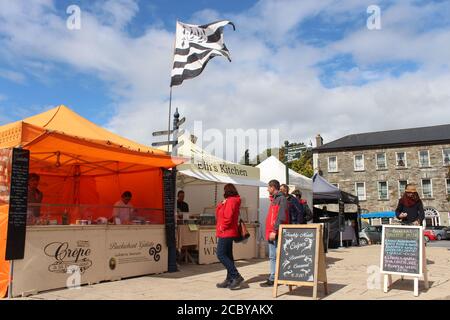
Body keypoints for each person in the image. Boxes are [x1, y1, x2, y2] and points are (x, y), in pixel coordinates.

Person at [215, 183, 244, 290]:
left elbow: (228, 216)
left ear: (227, 191)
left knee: (220, 254)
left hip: (226, 232)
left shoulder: (231, 201)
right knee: (228, 256)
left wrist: (223, 227)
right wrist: (221, 204)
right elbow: (218, 212)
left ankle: (236, 275)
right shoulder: (230, 200)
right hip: (228, 231)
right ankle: (229, 279)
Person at [260, 179, 289, 287]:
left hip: (275, 232)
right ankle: (275, 277)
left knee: (276, 256)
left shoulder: (281, 199)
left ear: (273, 187)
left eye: (268, 187)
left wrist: (274, 230)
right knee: (273, 256)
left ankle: (275, 278)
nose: (267, 189)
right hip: (272, 232)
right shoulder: (275, 199)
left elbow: (281, 217)